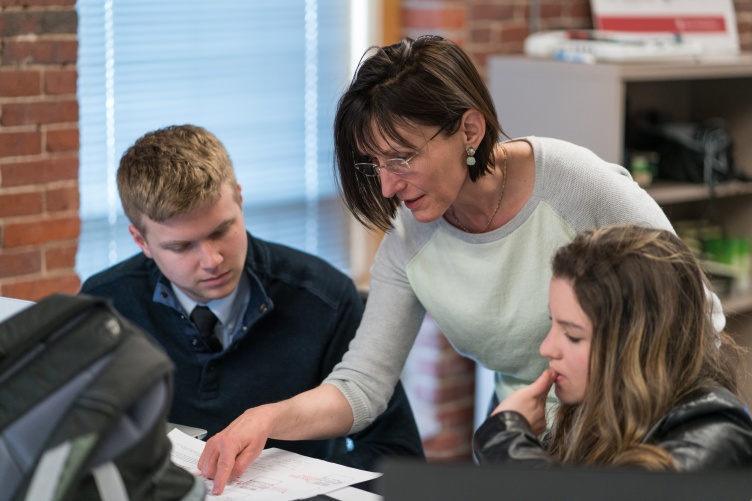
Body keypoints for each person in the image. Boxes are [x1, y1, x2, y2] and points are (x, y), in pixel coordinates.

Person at [198, 36, 725, 494]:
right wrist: (265, 419)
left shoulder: (579, 185)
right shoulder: (409, 239)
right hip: (520, 440)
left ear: (469, 130)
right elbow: (362, 385)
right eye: (372, 163)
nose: (386, 186)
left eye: (401, 158)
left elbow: (696, 317)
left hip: (632, 443)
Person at [79, 124, 425, 486]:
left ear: (240, 200)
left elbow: (399, 454)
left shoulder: (324, 299)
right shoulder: (105, 306)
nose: (212, 259)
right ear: (141, 241)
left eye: (221, 231)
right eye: (182, 247)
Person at [473, 225, 752, 470]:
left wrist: (504, 438)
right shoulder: (593, 410)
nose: (547, 348)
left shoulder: (716, 433)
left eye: (572, 335)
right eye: (553, 324)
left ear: (639, 344)